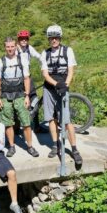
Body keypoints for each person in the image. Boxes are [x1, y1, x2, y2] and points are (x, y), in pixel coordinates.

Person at [40, 25, 83, 165]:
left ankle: (74, 149)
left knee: (66, 120)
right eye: (51, 38)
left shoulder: (68, 51)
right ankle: (55, 145)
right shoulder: (44, 53)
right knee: (51, 118)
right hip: (49, 88)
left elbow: (71, 70)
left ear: (60, 38)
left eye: (56, 37)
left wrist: (65, 85)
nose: (54, 40)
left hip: (64, 87)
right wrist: (57, 85)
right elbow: (45, 74)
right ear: (48, 39)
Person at [0, 37, 39, 158]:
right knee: (8, 123)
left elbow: (26, 78)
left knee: (26, 122)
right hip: (5, 95)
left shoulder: (22, 60)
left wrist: (27, 96)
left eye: (12, 46)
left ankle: (30, 146)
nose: (10, 49)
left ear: (16, 47)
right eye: (8, 47)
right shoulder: (1, 61)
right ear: (5, 47)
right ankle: (12, 146)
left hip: (20, 94)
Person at [16, 29, 44, 133]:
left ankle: (36, 126)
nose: (24, 41)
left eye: (25, 39)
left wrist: (45, 65)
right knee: (17, 101)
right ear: (18, 40)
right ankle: (16, 127)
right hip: (17, 79)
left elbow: (39, 56)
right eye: (21, 39)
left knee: (34, 99)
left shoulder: (29, 48)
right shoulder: (15, 49)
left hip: (28, 77)